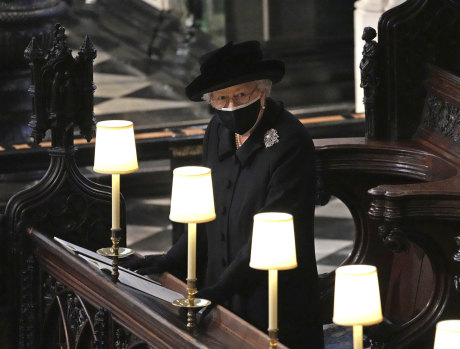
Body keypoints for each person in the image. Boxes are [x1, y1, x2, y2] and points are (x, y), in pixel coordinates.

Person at [125, 40, 324, 349]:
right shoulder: (217, 130)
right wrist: (169, 259)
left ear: (262, 91)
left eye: (240, 95)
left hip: (272, 299)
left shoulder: (290, 141)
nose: (231, 106)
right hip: (219, 293)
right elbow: (207, 214)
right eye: (221, 98)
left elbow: (271, 233)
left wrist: (219, 290)